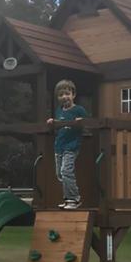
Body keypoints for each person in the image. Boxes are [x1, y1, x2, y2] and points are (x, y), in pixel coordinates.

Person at [46, 79, 87, 209]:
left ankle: (74, 199)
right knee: (60, 174)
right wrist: (53, 122)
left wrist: (81, 121)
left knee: (66, 171)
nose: (64, 97)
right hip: (59, 146)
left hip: (71, 146)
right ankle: (67, 198)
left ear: (73, 95)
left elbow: (87, 123)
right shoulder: (60, 110)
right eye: (61, 94)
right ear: (58, 97)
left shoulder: (79, 110)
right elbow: (59, 124)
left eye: (67, 93)